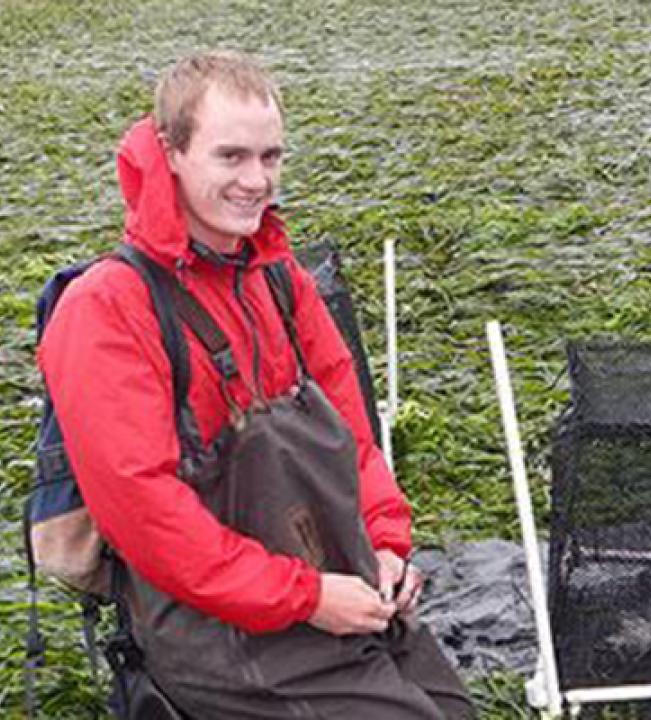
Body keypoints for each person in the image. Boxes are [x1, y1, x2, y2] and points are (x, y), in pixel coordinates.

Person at [38, 50, 472, 718]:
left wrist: (385, 542)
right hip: (212, 627)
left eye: (271, 157)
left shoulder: (278, 278)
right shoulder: (107, 308)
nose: (256, 180)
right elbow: (147, 513)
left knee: (449, 706)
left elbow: (355, 435)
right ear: (171, 152)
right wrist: (306, 597)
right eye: (231, 157)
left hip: (330, 578)